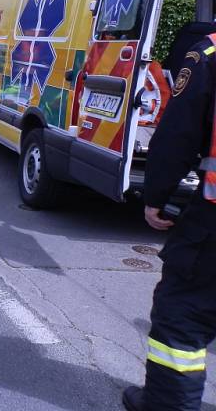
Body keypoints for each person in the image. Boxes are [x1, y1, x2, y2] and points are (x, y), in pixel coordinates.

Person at [123, 34, 216, 411]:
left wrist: (156, 196)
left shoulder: (208, 54)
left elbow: (178, 133)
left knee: (183, 315)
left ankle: (168, 405)